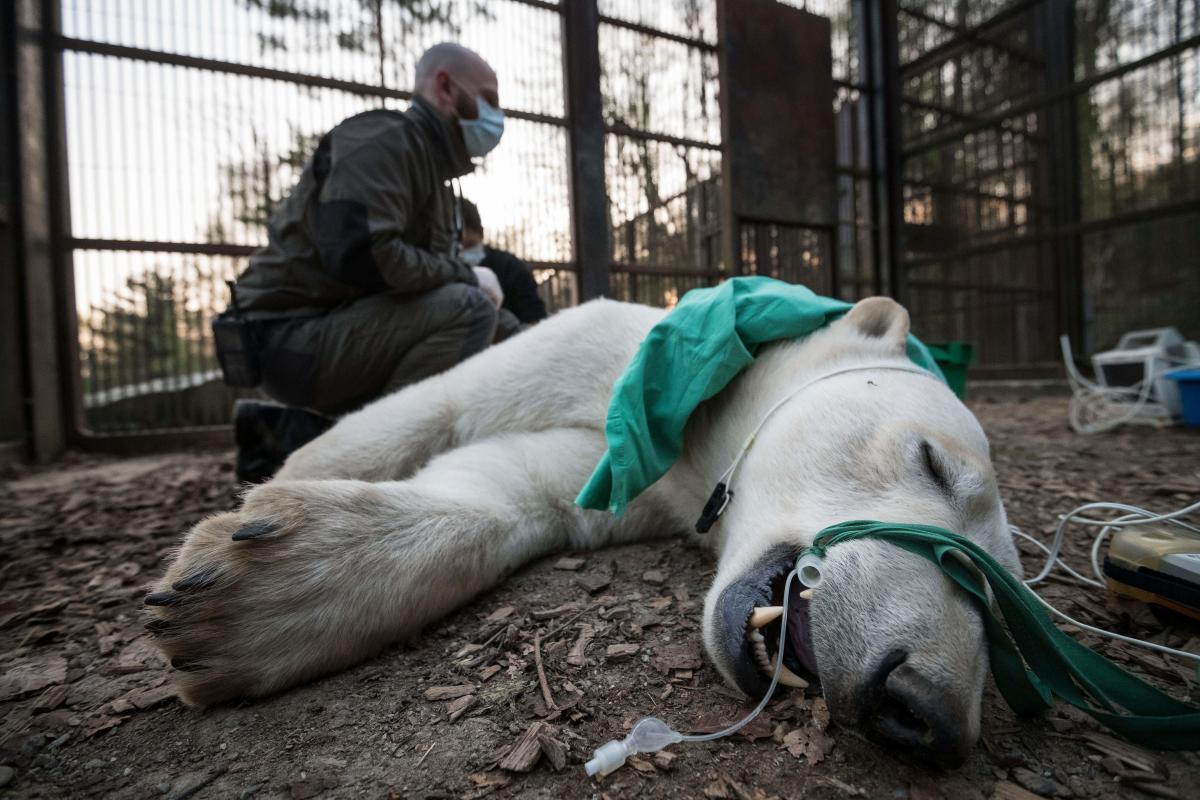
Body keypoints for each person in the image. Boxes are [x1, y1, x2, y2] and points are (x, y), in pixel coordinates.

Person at [214, 43, 506, 482]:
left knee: (477, 318)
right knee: (468, 308)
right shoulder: (384, 141)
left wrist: (544, 348)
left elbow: (427, 291)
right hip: (288, 337)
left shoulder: (433, 175)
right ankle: (374, 469)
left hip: (336, 330)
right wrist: (468, 274)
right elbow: (364, 257)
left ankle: (290, 441)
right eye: (489, 98)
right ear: (445, 86)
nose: (497, 116)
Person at [459, 199, 547, 340]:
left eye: (469, 244)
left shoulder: (512, 268)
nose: (462, 252)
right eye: (456, 248)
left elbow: (534, 321)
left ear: (481, 233)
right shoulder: (439, 272)